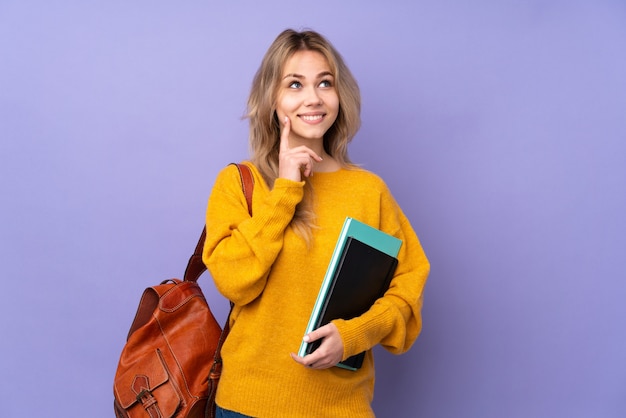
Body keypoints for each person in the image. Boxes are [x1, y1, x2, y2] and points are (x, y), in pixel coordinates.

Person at [202, 28, 430, 418]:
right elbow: (234, 281)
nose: (313, 98)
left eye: (325, 83)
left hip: (340, 407)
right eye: (295, 84)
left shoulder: (367, 191)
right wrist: (286, 189)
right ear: (273, 100)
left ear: (339, 96)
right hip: (248, 406)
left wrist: (355, 335)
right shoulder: (240, 184)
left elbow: (408, 291)